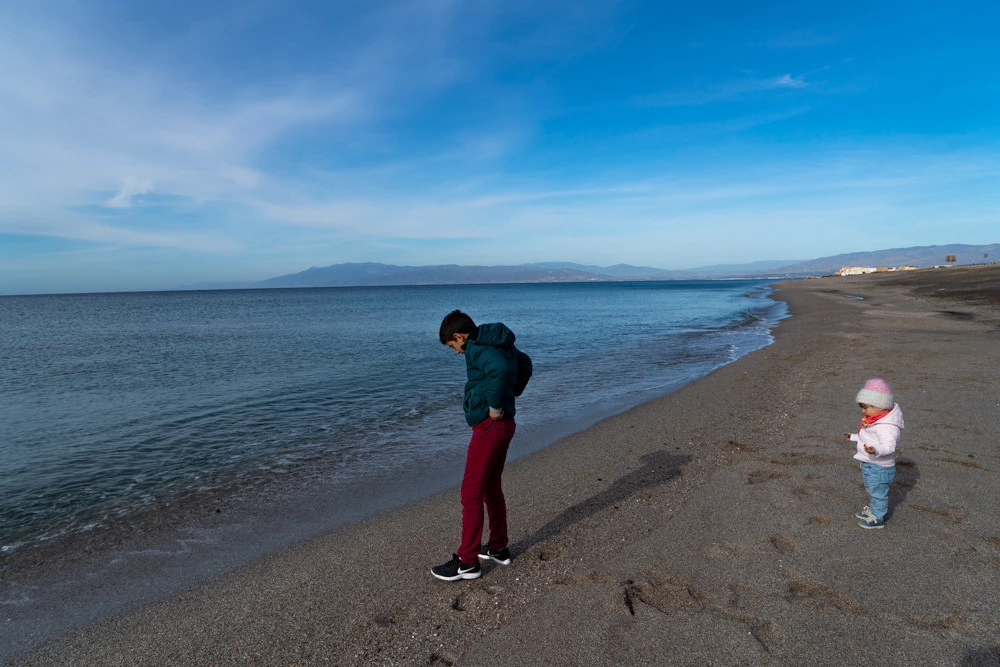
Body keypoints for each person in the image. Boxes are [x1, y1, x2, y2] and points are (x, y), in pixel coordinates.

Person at [431, 310, 520, 581]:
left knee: (470, 492)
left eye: (453, 346)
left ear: (459, 336)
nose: (456, 352)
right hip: (505, 424)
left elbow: (503, 370)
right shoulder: (497, 342)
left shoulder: (477, 348)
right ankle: (498, 547)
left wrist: (494, 405)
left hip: (490, 426)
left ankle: (467, 562)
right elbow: (522, 364)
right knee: (490, 487)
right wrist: (509, 395)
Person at [844, 378, 904, 529]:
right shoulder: (875, 420)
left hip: (880, 467)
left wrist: (876, 450)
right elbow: (867, 438)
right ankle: (874, 509)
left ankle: (878, 517)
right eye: (862, 408)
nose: (863, 411)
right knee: (873, 489)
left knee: (878, 492)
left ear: (881, 406)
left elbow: (889, 446)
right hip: (871, 464)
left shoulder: (887, 426)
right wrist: (853, 437)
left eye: (866, 407)